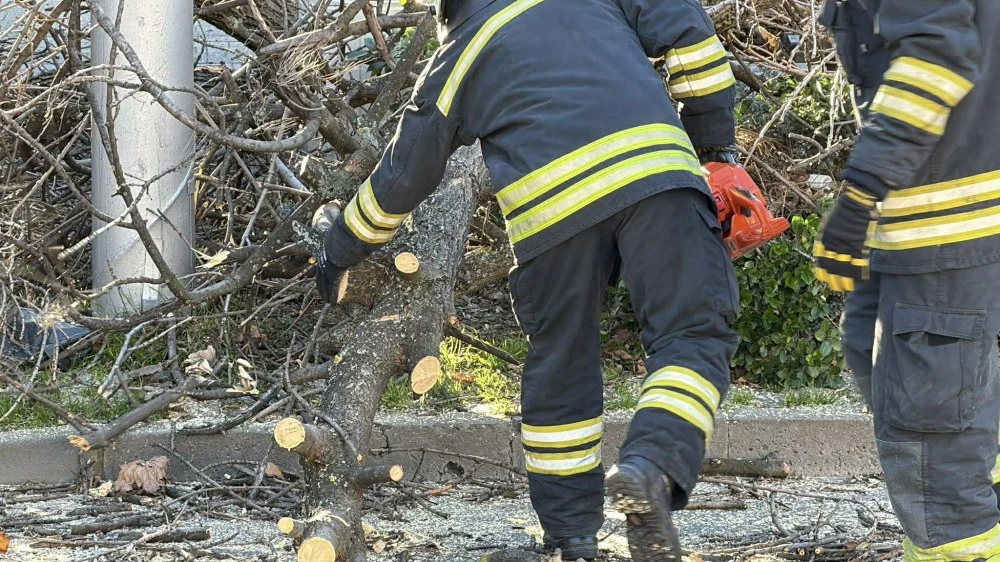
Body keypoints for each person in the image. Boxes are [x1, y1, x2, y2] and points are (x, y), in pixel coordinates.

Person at [314, 0, 741, 560]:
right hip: (656, 179)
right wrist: (713, 144)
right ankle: (652, 466)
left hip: (551, 221)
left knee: (562, 364)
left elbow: (402, 174)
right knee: (692, 333)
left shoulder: (461, 50)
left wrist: (339, 249)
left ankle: (571, 539)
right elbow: (687, 31)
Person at [814, 1, 1000, 560]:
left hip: (952, 229)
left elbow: (934, 59)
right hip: (933, 223)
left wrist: (860, 194)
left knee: (932, 445)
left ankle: (963, 542)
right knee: (869, 346)